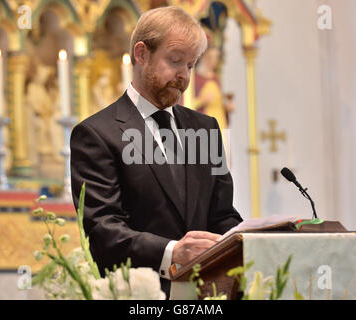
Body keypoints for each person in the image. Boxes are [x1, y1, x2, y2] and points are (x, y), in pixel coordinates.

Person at [70, 6, 242, 298]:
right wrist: (173, 252)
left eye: (191, 65)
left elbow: (222, 215)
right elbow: (103, 229)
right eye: (175, 61)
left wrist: (244, 241)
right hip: (141, 295)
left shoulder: (205, 128)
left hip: (208, 295)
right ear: (141, 54)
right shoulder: (97, 134)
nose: (183, 77)